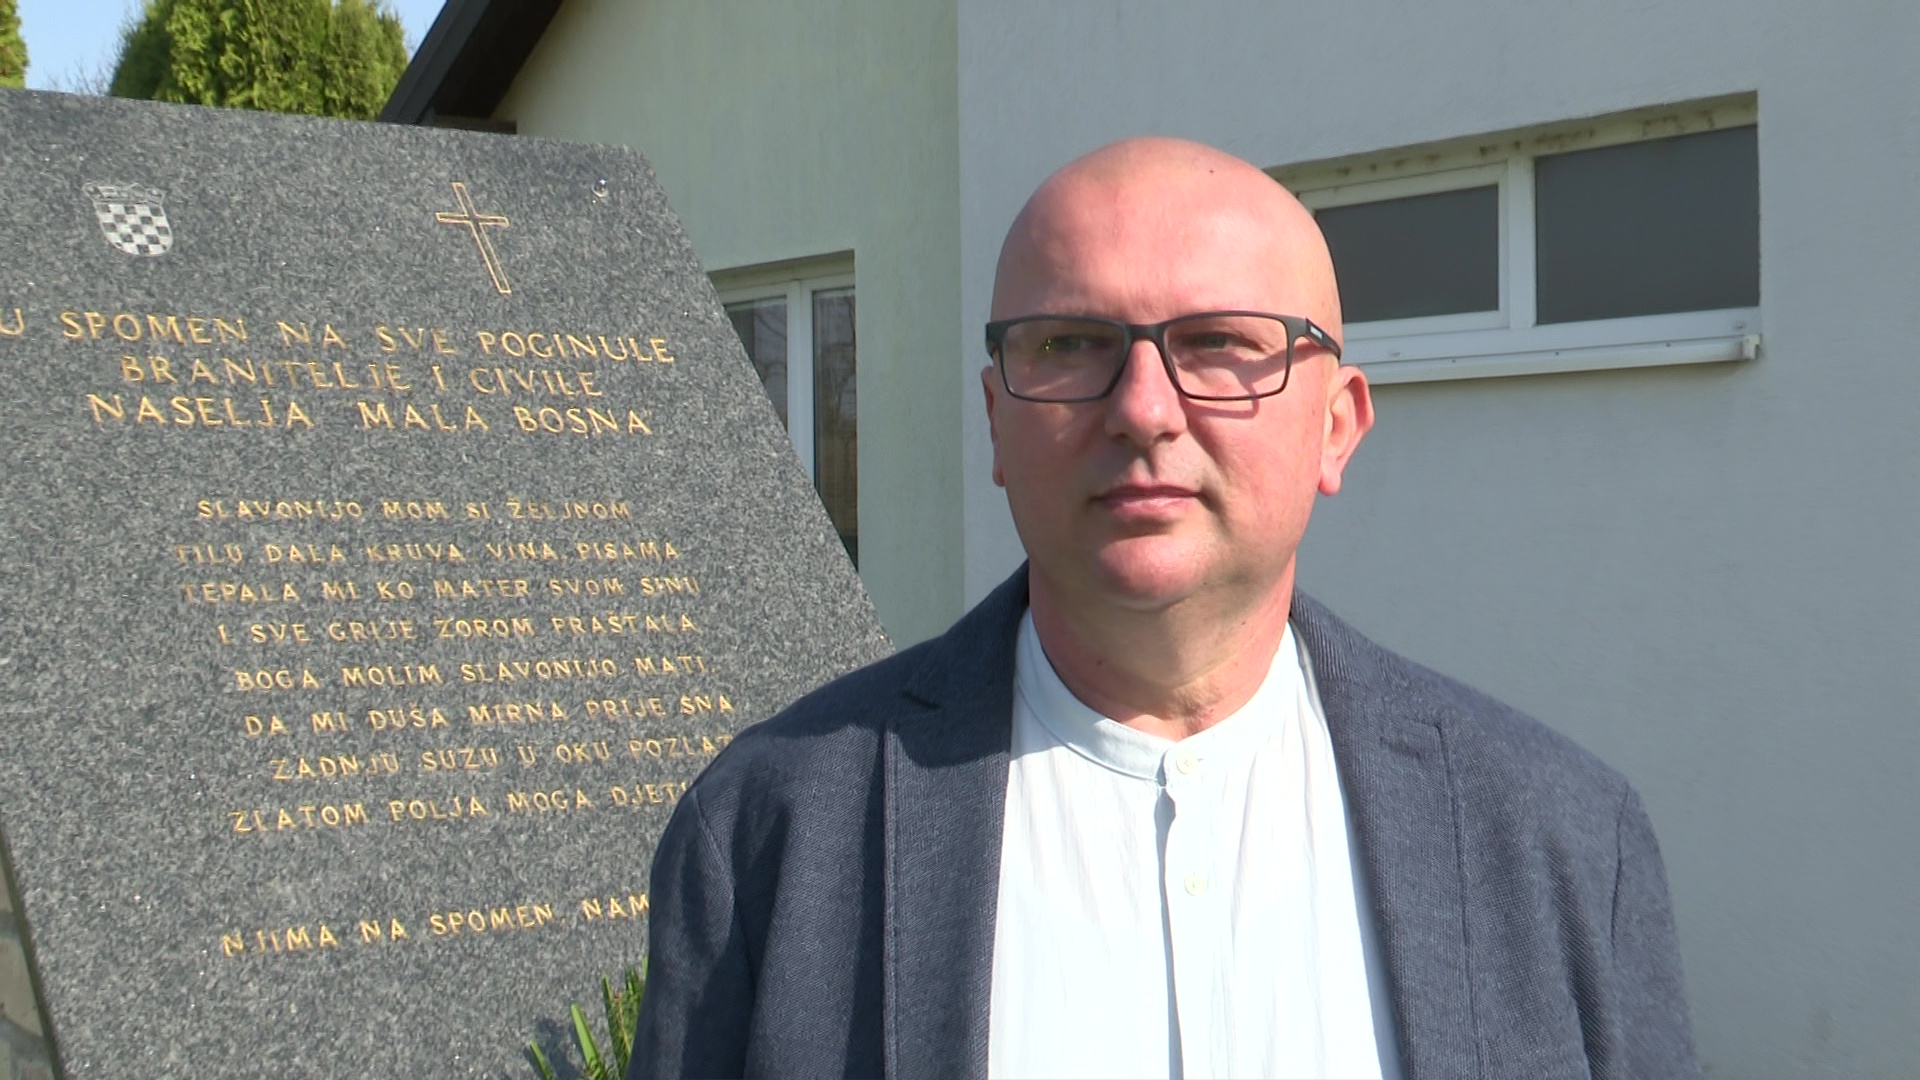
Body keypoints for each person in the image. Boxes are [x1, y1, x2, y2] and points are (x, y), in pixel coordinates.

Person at [627, 137, 1696, 1080]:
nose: (1143, 410)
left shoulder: (1560, 837)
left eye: (1222, 342)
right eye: (1070, 343)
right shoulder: (770, 832)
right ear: (996, 423)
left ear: (1336, 426)